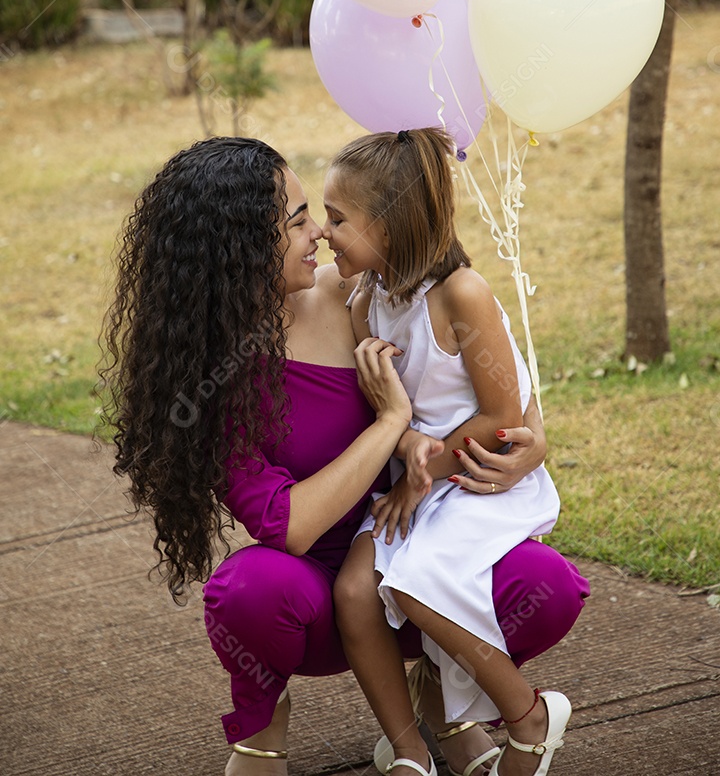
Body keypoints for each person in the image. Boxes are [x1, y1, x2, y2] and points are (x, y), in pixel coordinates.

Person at [99, 136, 589, 776]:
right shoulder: (206, 376)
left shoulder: (357, 293)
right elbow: (290, 526)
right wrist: (390, 424)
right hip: (321, 595)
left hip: (417, 542)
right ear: (240, 246)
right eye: (297, 221)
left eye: (319, 215)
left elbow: (481, 372)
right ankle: (262, 734)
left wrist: (531, 436)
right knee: (245, 590)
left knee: (544, 586)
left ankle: (445, 701)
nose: (319, 235)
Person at [326, 128, 580, 776]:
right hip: (419, 479)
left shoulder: (460, 294)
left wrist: (424, 473)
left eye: (336, 219)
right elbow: (392, 414)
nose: (326, 233)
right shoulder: (366, 300)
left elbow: (501, 416)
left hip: (476, 480)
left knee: (413, 585)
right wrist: (408, 445)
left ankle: (525, 714)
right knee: (355, 590)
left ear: (388, 224)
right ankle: (411, 753)